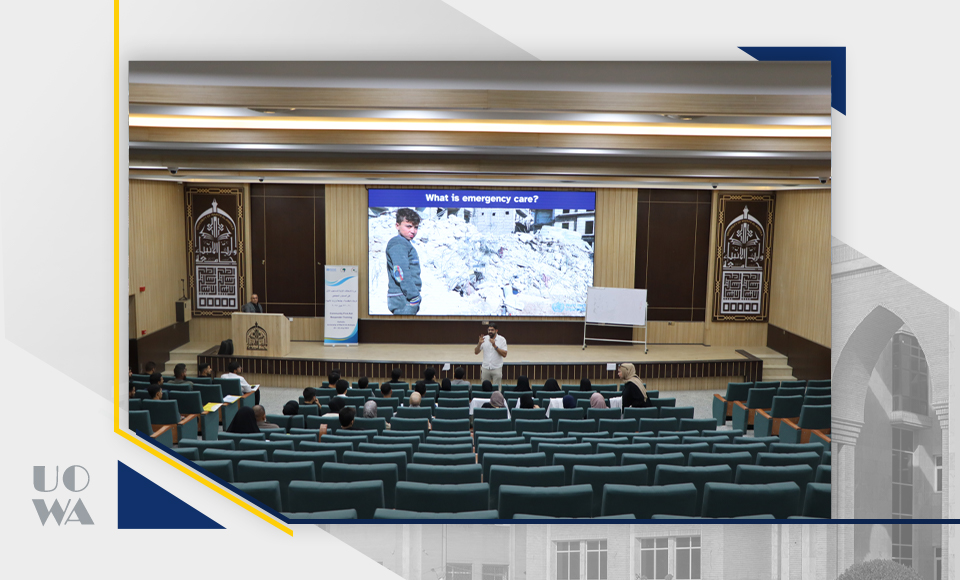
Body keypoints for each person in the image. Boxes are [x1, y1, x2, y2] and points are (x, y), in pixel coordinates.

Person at [386, 208, 422, 315]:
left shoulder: (405, 243)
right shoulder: (398, 243)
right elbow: (401, 272)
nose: (413, 231)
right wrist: (413, 296)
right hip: (403, 299)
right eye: (409, 226)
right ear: (397, 226)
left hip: (404, 297)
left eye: (416, 227)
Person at [474, 323, 507, 389]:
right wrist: (479, 344)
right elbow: (476, 352)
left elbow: (504, 354)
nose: (490, 331)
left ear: (496, 330)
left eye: (492, 330)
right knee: (484, 388)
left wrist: (495, 346)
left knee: (497, 389)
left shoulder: (502, 339)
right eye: (489, 330)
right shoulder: (484, 339)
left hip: (497, 368)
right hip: (485, 368)